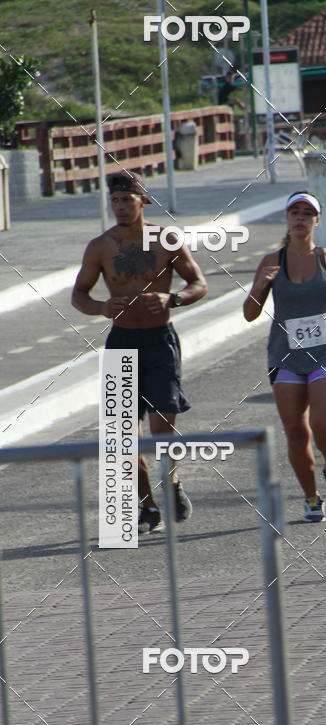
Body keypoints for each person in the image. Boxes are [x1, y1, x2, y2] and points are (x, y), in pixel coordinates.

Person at [71, 172, 208, 534]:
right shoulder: (100, 247)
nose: (119, 207)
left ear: (142, 201)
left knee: (162, 431)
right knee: (123, 435)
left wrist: (173, 298)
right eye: (115, 201)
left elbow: (199, 283)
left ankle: (172, 482)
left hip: (160, 342)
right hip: (122, 341)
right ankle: (147, 507)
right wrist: (101, 307)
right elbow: (79, 294)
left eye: (126, 200)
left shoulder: (167, 239)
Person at [243, 191, 326, 523]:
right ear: (288, 219)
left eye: (308, 213)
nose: (301, 218)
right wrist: (259, 287)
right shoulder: (271, 261)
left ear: (317, 221)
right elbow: (249, 314)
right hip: (285, 357)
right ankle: (311, 497)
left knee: (322, 423)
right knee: (295, 431)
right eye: (295, 212)